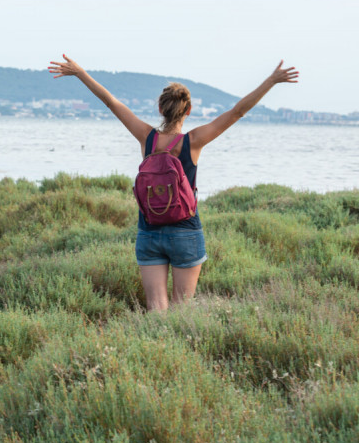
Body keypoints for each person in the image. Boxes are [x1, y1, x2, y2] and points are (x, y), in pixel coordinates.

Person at [48, 55, 299, 311]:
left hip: (149, 230)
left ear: (160, 109)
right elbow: (238, 111)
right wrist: (272, 81)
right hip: (185, 231)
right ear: (188, 111)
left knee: (156, 309)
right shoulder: (195, 140)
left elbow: (111, 103)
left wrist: (79, 72)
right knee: (181, 311)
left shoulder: (146, 137)